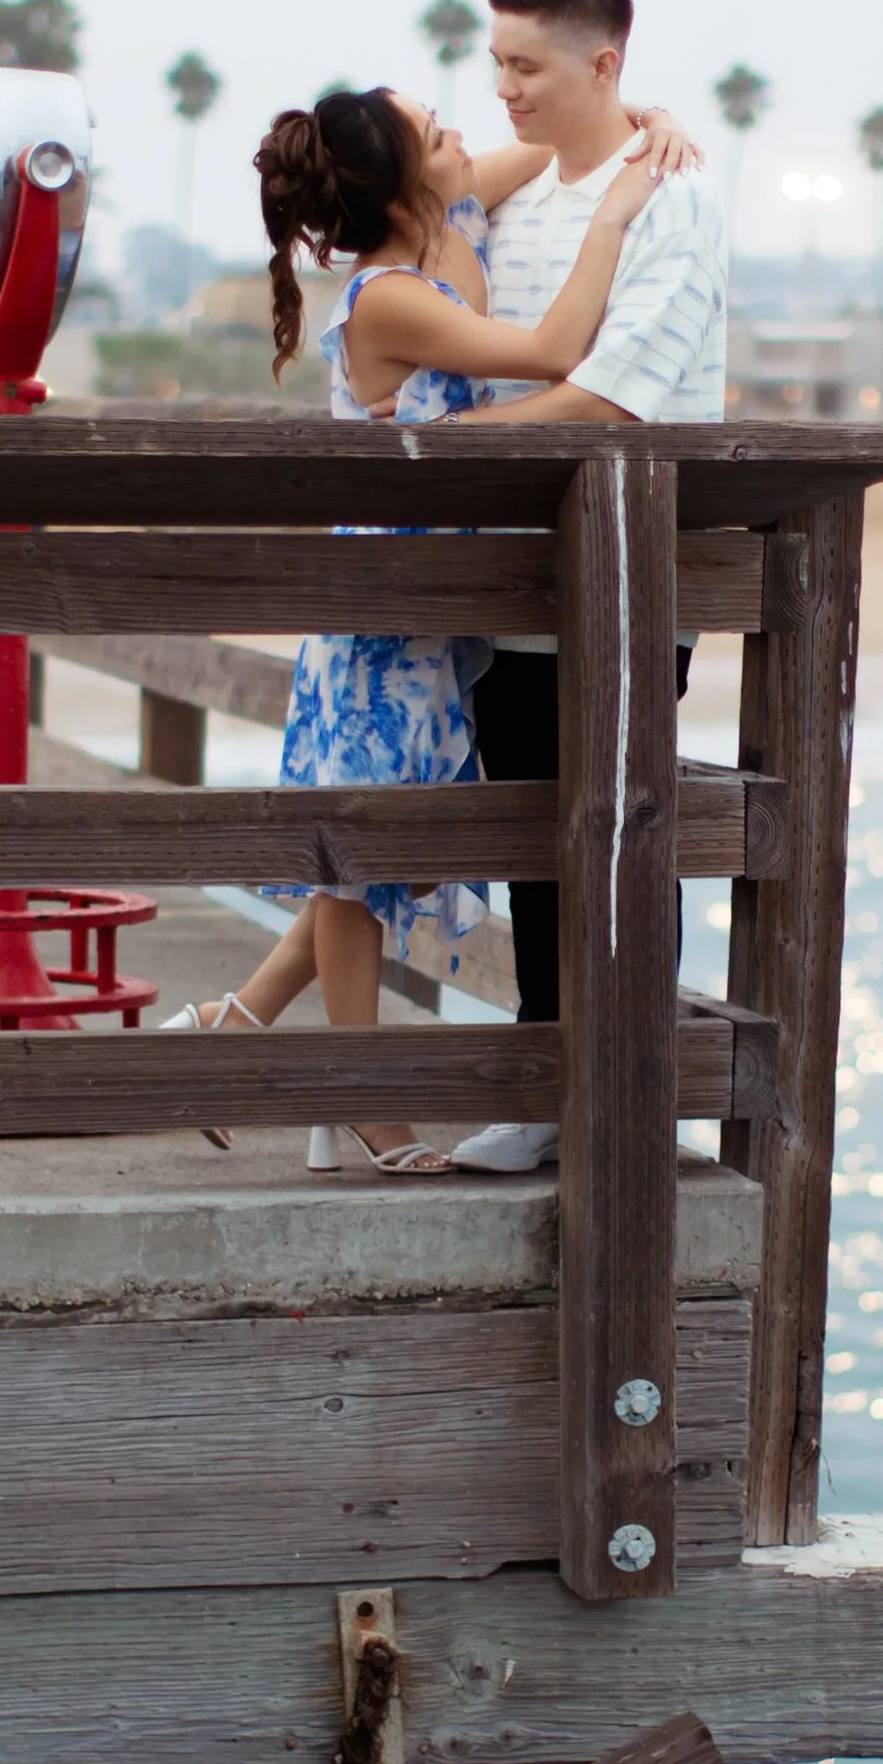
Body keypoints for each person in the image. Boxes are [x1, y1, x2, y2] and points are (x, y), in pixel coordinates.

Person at [164, 79, 680, 1171]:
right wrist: (615, 217)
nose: (457, 131)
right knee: (361, 861)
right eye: (432, 129)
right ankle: (362, 1097)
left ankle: (238, 1024)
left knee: (382, 857)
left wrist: (648, 122)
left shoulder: (450, 217)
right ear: (402, 181)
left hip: (440, 613)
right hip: (384, 620)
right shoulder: (387, 296)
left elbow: (554, 143)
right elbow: (554, 352)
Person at [444, 0, 731, 1173]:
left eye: (526, 65)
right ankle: (545, 1091)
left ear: (601, 62)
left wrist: (440, 447)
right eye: (495, 62)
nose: (503, 86)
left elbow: (616, 398)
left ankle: (627, 1100)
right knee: (530, 843)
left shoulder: (672, 198)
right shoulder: (514, 195)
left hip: (624, 572)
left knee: (621, 835)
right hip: (505, 573)